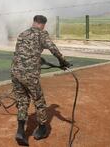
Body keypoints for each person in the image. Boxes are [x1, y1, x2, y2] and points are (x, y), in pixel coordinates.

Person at [11, 15, 71, 146]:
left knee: (22, 101)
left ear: (34, 22)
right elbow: (53, 48)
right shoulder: (42, 34)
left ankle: (20, 131)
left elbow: (23, 53)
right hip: (30, 75)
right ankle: (42, 129)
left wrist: (38, 60)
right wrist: (63, 61)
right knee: (39, 101)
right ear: (43, 24)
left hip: (15, 73)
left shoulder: (22, 34)